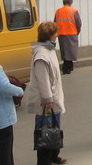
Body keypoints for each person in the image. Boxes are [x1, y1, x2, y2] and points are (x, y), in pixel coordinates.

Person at [25, 22, 66, 165]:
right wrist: (48, 99)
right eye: (56, 33)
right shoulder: (41, 54)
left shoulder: (49, 50)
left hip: (53, 97)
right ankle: (44, 160)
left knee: (54, 128)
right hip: (47, 101)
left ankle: (54, 155)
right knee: (45, 131)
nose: (58, 35)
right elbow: (43, 80)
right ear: (50, 35)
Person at [54, 0, 82, 75]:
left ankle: (69, 66)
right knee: (71, 51)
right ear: (71, 2)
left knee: (65, 51)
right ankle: (66, 68)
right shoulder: (74, 11)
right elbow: (79, 23)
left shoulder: (58, 11)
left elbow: (54, 22)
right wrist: (77, 31)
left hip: (61, 33)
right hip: (71, 33)